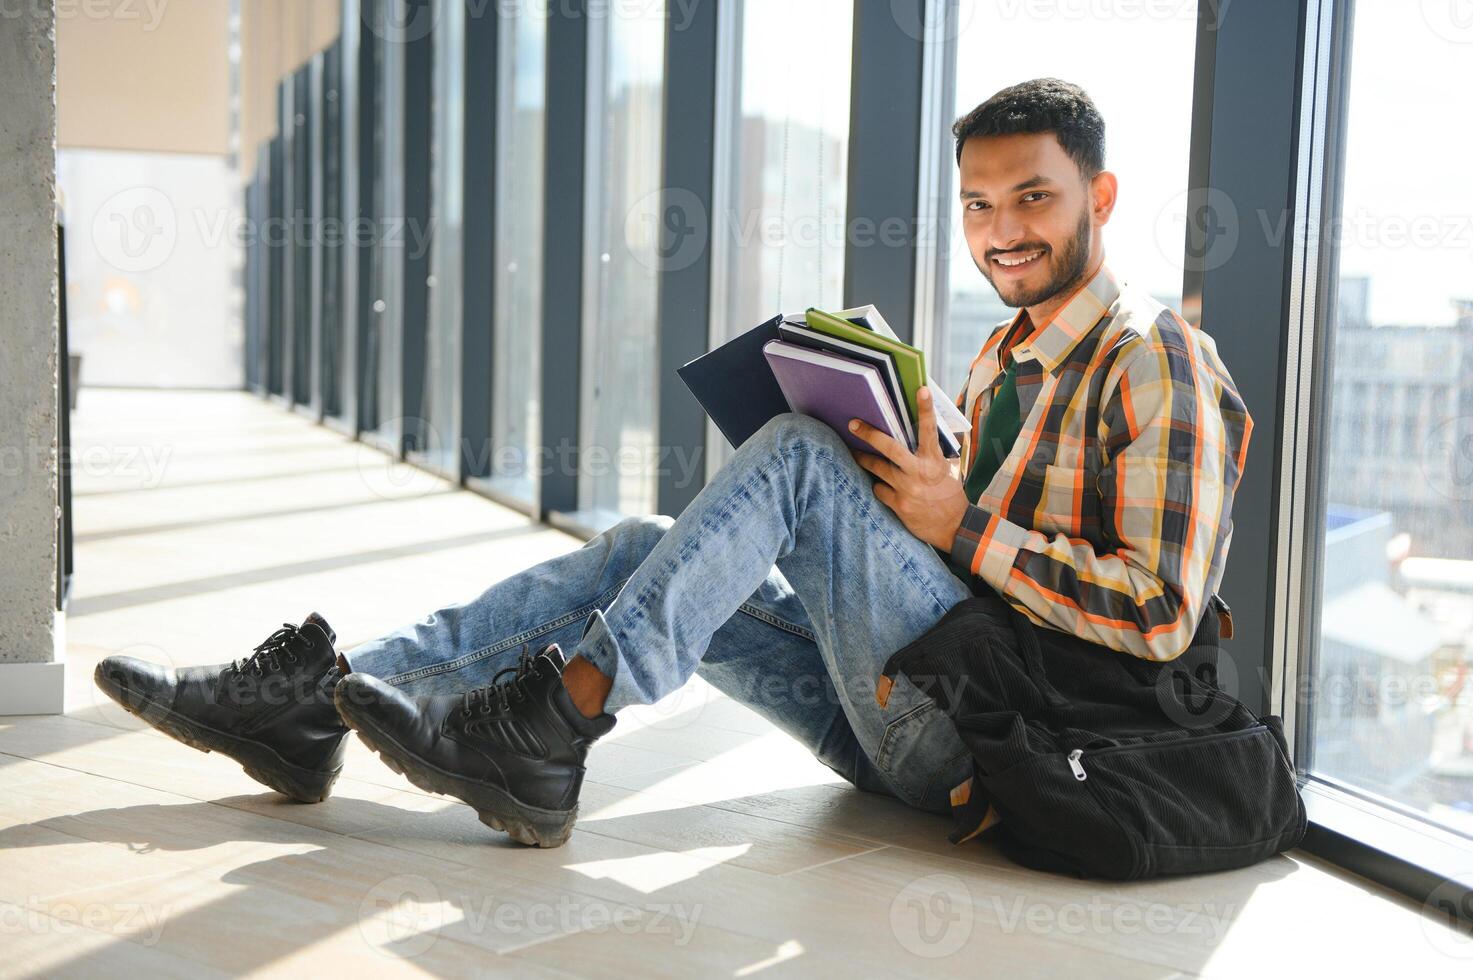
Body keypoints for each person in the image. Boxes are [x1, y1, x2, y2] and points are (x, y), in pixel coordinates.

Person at [94, 78, 1251, 849]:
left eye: (1034, 197)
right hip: (909, 711)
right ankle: (321, 704)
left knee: (796, 456)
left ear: (1099, 196)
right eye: (979, 204)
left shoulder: (1158, 360)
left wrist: (959, 525)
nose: (1003, 228)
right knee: (645, 545)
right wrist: (931, 462)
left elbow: (1156, 608)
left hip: (1016, 746)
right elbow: (983, 558)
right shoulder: (1006, 354)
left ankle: (560, 724)